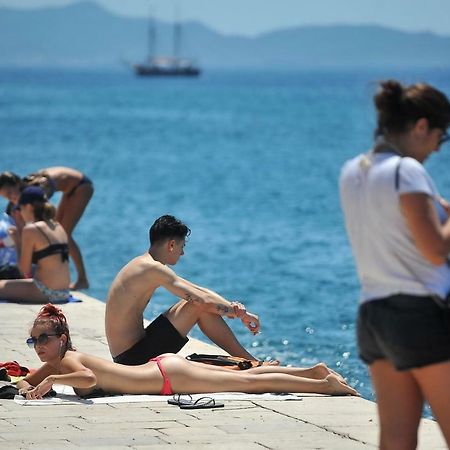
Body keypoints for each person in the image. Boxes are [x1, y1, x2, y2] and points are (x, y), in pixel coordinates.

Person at [339, 80, 450, 449]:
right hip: (419, 313)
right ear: (420, 126)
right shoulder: (407, 171)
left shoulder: (353, 171)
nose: (437, 146)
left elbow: (392, 230)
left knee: (397, 440)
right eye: (440, 135)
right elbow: (435, 250)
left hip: (374, 316)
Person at [17, 304, 358, 399]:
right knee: (249, 377)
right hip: (164, 369)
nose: (40, 347)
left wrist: (49, 385)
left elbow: (87, 377)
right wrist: (28, 384)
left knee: (250, 384)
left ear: (62, 338)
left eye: (44, 339)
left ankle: (323, 385)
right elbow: (24, 381)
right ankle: (313, 371)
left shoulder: (67, 362)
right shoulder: (56, 365)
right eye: (35, 342)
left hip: (168, 376)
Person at [106, 215, 267, 366]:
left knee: (193, 301)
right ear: (171, 245)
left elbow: (198, 291)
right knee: (197, 305)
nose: (182, 253)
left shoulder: (144, 264)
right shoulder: (153, 269)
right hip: (132, 359)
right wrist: (238, 314)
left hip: (130, 351)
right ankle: (252, 362)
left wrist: (238, 311)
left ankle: (250, 361)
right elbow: (202, 300)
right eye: (182, 247)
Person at [0, 167, 93, 290]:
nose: (11, 198)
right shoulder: (25, 192)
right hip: (69, 187)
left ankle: (82, 279)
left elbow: (41, 224)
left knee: (65, 233)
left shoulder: (37, 187)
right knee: (56, 230)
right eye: (7, 197)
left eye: (10, 193)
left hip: (82, 186)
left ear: (18, 184)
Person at [0, 186, 70, 303]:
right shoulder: (57, 225)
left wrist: (17, 240)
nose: (20, 213)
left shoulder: (31, 229)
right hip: (64, 292)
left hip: (46, 292)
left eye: (21, 209)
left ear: (28, 207)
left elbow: (24, 270)